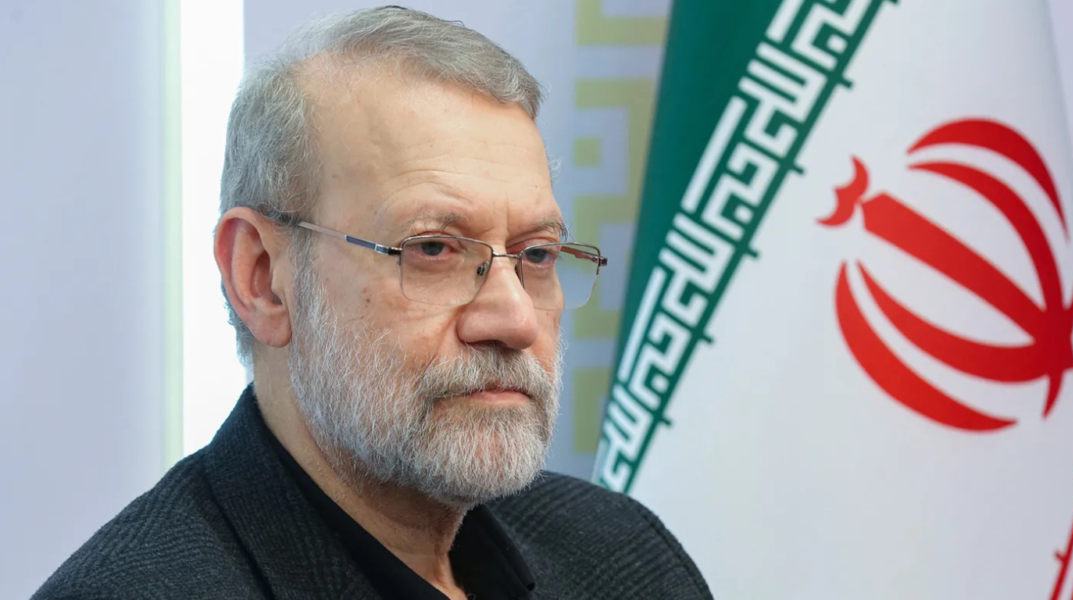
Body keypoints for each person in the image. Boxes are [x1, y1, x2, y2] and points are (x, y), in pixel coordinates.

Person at [34, 6, 711, 600]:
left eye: (535, 255)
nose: (515, 319)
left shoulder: (621, 554)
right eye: (433, 249)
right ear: (262, 277)